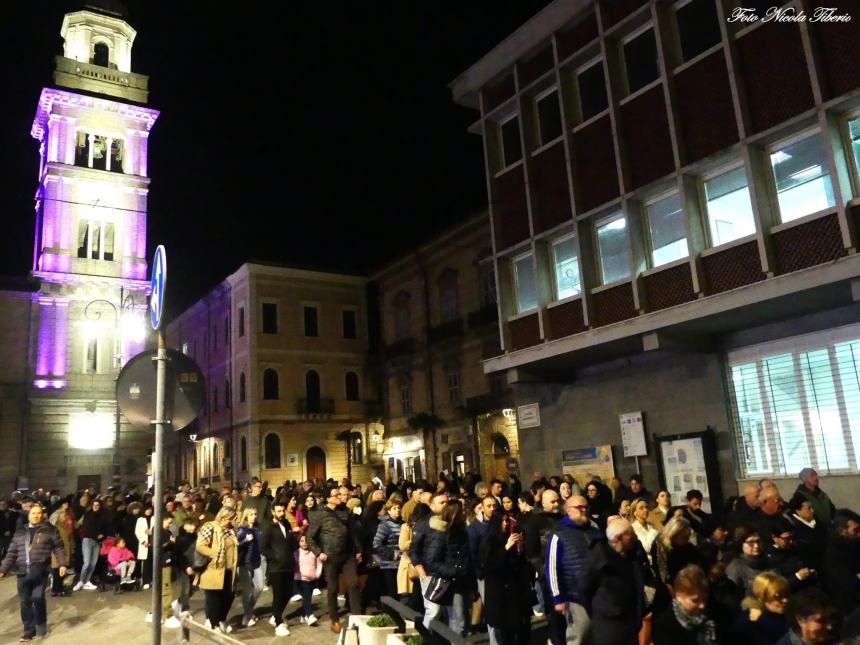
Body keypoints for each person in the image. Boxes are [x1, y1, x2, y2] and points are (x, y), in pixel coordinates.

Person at [0, 502, 68, 642]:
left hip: (40, 571)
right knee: (25, 602)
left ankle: (41, 628)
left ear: (42, 515)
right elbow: (11, 553)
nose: (36, 516)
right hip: (22, 572)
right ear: (28, 515)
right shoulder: (20, 532)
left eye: (38, 513)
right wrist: (2, 570)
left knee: (37, 598)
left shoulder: (50, 530)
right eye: (33, 513)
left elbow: (59, 548)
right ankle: (28, 631)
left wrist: (62, 564)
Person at [580, 518, 647, 645]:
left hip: (631, 619)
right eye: (631, 533)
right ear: (619, 538)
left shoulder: (633, 554)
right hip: (608, 623)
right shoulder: (599, 558)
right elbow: (584, 589)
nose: (635, 536)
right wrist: (599, 611)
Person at [306, 486, 362, 634]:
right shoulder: (319, 515)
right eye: (336, 495)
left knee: (353, 583)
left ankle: (356, 617)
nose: (340, 497)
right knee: (332, 588)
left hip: (348, 555)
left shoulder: (345, 511)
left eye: (340, 494)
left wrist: (358, 550)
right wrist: (319, 553)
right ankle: (334, 619)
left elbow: (353, 533)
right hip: (331, 557)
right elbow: (309, 537)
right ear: (328, 498)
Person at [546, 495, 601, 645]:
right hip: (574, 597)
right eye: (579, 507)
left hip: (598, 595)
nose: (584, 510)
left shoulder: (594, 531)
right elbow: (552, 568)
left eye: (586, 507)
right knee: (579, 637)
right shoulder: (558, 534)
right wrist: (558, 598)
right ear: (568, 511)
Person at [412, 498, 470, 635]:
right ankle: (423, 639)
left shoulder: (462, 532)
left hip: (460, 580)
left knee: (460, 620)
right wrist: (423, 572)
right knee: (435, 612)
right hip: (441, 579)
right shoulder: (437, 530)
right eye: (441, 502)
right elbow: (428, 557)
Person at [480, 509, 533, 643]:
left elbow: (519, 564)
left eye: (507, 520)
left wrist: (520, 549)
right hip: (500, 593)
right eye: (502, 521)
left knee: (523, 629)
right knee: (506, 633)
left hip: (515, 590)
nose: (505, 524)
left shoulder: (508, 536)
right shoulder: (489, 541)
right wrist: (506, 548)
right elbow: (491, 566)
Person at [524, 489, 563, 643]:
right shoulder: (535, 521)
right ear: (543, 503)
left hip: (565, 570)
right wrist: (543, 571)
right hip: (547, 571)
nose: (556, 504)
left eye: (557, 501)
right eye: (552, 502)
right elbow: (532, 552)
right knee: (553, 611)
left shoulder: (563, 518)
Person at [196, 507, 239, 634]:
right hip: (214, 569)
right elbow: (200, 545)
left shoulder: (231, 531)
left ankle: (220, 619)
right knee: (214, 598)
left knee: (228, 596)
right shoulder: (210, 526)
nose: (236, 520)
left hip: (229, 569)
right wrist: (215, 554)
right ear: (225, 518)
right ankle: (213, 623)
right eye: (233, 518)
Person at [652, 565, 718, 645]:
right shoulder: (665, 624)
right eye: (695, 600)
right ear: (679, 596)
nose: (702, 605)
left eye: (704, 600)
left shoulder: (707, 621)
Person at [261, 501, 297, 636]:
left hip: (288, 565)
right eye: (279, 511)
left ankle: (276, 615)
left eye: (283, 511)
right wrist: (275, 557)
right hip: (275, 567)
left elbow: (291, 544)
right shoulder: (268, 527)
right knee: (278, 594)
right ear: (273, 512)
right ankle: (278, 623)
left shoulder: (287, 524)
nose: (282, 513)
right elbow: (263, 547)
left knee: (288, 593)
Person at [731, 571, 790, 645]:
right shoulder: (748, 622)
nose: (785, 600)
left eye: (786, 594)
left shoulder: (788, 615)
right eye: (778, 596)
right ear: (761, 596)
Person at [822, 509, 860, 618]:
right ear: (841, 531)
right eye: (856, 530)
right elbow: (849, 584)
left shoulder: (854, 541)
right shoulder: (833, 555)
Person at [235, 508, 263, 628]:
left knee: (259, 587)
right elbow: (235, 546)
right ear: (246, 516)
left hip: (256, 562)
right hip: (244, 564)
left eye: (255, 514)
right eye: (251, 514)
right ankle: (247, 616)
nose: (254, 516)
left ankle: (249, 610)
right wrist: (246, 540)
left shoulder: (257, 529)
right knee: (246, 591)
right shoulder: (242, 530)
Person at [75, 498, 110, 590]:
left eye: (97, 505)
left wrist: (103, 535)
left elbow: (106, 528)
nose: (95, 507)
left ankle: (87, 581)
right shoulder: (87, 514)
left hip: (97, 542)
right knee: (87, 563)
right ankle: (81, 581)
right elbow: (86, 528)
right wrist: (96, 535)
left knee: (93, 563)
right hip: (88, 540)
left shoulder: (103, 516)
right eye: (94, 505)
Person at [373, 498, 403, 600]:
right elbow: (376, 543)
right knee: (392, 592)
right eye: (394, 508)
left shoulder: (403, 523)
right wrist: (391, 554)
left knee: (399, 592)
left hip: (401, 563)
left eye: (399, 508)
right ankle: (391, 614)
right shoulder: (385, 524)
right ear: (389, 510)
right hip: (389, 564)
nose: (398, 510)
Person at [727, 526, 770, 597]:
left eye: (758, 541)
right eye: (751, 542)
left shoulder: (768, 559)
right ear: (741, 544)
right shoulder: (735, 568)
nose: (756, 546)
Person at [294, 534, 322, 626]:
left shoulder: (313, 552)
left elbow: (319, 564)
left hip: (312, 578)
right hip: (301, 579)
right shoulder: (296, 553)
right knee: (306, 597)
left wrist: (317, 574)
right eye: (302, 541)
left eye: (306, 541)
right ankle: (310, 615)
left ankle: (303, 615)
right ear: (298, 542)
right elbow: (293, 566)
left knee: (307, 598)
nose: (304, 543)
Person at [49, 503, 73, 597]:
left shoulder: (61, 526)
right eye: (63, 516)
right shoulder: (56, 528)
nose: (65, 518)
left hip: (62, 553)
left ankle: (56, 590)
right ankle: (58, 590)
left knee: (59, 573)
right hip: (59, 554)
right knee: (58, 573)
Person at [134, 505, 154, 589]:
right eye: (147, 509)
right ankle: (145, 581)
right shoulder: (140, 519)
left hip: (153, 543)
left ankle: (153, 580)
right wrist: (143, 541)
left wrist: (152, 532)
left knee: (153, 562)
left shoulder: (154, 518)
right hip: (145, 544)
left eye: (150, 509)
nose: (148, 511)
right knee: (146, 563)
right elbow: (137, 532)